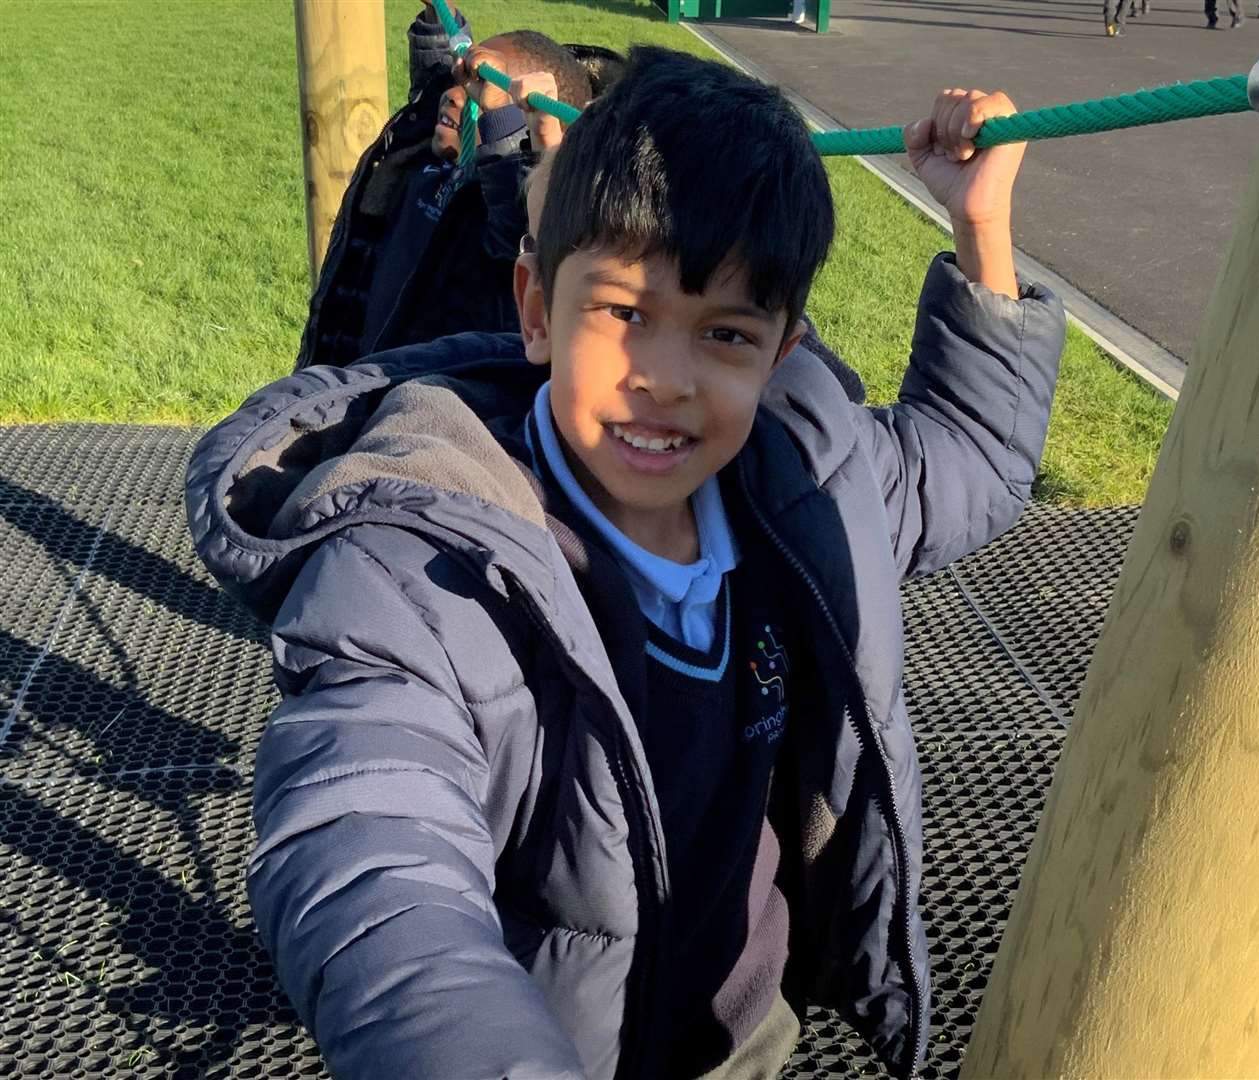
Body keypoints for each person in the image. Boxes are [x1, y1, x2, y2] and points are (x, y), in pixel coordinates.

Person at [187, 46, 1065, 1080]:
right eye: (622, 313)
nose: (665, 380)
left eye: (726, 334)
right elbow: (371, 853)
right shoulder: (423, 569)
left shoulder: (798, 487)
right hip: (558, 1044)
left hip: (741, 1036)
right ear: (533, 309)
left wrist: (981, 227)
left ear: (782, 353)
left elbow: (968, 462)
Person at [294, 2, 600, 369]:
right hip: (347, 363)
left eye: (480, 93)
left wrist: (506, 118)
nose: (457, 95)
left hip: (405, 395)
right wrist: (439, 17)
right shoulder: (432, 155)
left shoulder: (505, 217)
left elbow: (521, 195)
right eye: (464, 82)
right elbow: (435, 84)